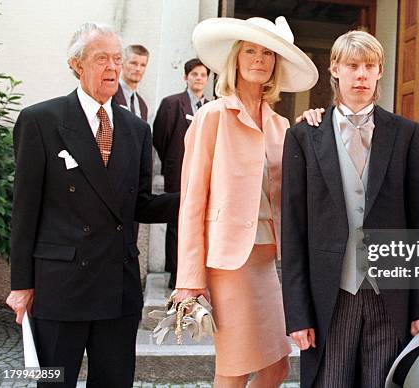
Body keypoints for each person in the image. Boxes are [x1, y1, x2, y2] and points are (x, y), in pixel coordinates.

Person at [6, 22, 179, 387]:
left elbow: (140, 205)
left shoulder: (136, 129)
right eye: (102, 59)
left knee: (115, 382)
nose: (114, 68)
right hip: (60, 285)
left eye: (118, 59)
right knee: (54, 380)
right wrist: (22, 285)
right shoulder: (41, 121)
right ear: (76, 64)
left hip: (117, 285)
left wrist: (195, 200)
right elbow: (24, 210)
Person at [281, 30, 419, 388]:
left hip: (391, 296)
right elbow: (293, 232)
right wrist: (297, 313)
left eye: (369, 66)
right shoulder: (304, 136)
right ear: (334, 68)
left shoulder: (405, 133)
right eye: (352, 65)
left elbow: (418, 225)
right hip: (330, 295)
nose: (361, 75)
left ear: (380, 71)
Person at [174, 16, 318, 388]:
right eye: (250, 51)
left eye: (267, 53)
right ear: (235, 60)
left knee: (278, 368)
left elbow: (294, 192)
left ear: (275, 64)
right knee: (235, 369)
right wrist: (190, 279)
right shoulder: (211, 117)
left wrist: (315, 129)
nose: (259, 59)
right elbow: (192, 201)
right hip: (228, 264)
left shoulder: (281, 126)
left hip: (268, 260)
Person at [153, 58, 211, 289]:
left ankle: (197, 275)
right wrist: (174, 160)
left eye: (203, 75)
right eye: (194, 74)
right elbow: (160, 138)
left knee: (200, 223)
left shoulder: (211, 107)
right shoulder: (171, 104)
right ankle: (177, 274)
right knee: (178, 221)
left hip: (204, 173)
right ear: (185, 77)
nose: (198, 78)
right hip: (178, 171)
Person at [113, 44, 149, 120]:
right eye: (133, 63)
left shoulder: (142, 106)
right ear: (122, 63)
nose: (138, 69)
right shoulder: (110, 94)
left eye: (143, 65)